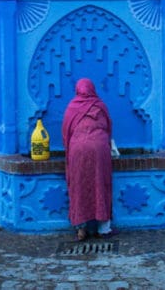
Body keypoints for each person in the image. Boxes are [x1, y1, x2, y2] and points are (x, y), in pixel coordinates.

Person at [62, 78, 114, 241]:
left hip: (78, 149)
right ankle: (103, 229)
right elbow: (108, 127)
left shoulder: (72, 107)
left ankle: (81, 230)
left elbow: (66, 132)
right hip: (99, 149)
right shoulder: (100, 105)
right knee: (101, 184)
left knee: (78, 187)